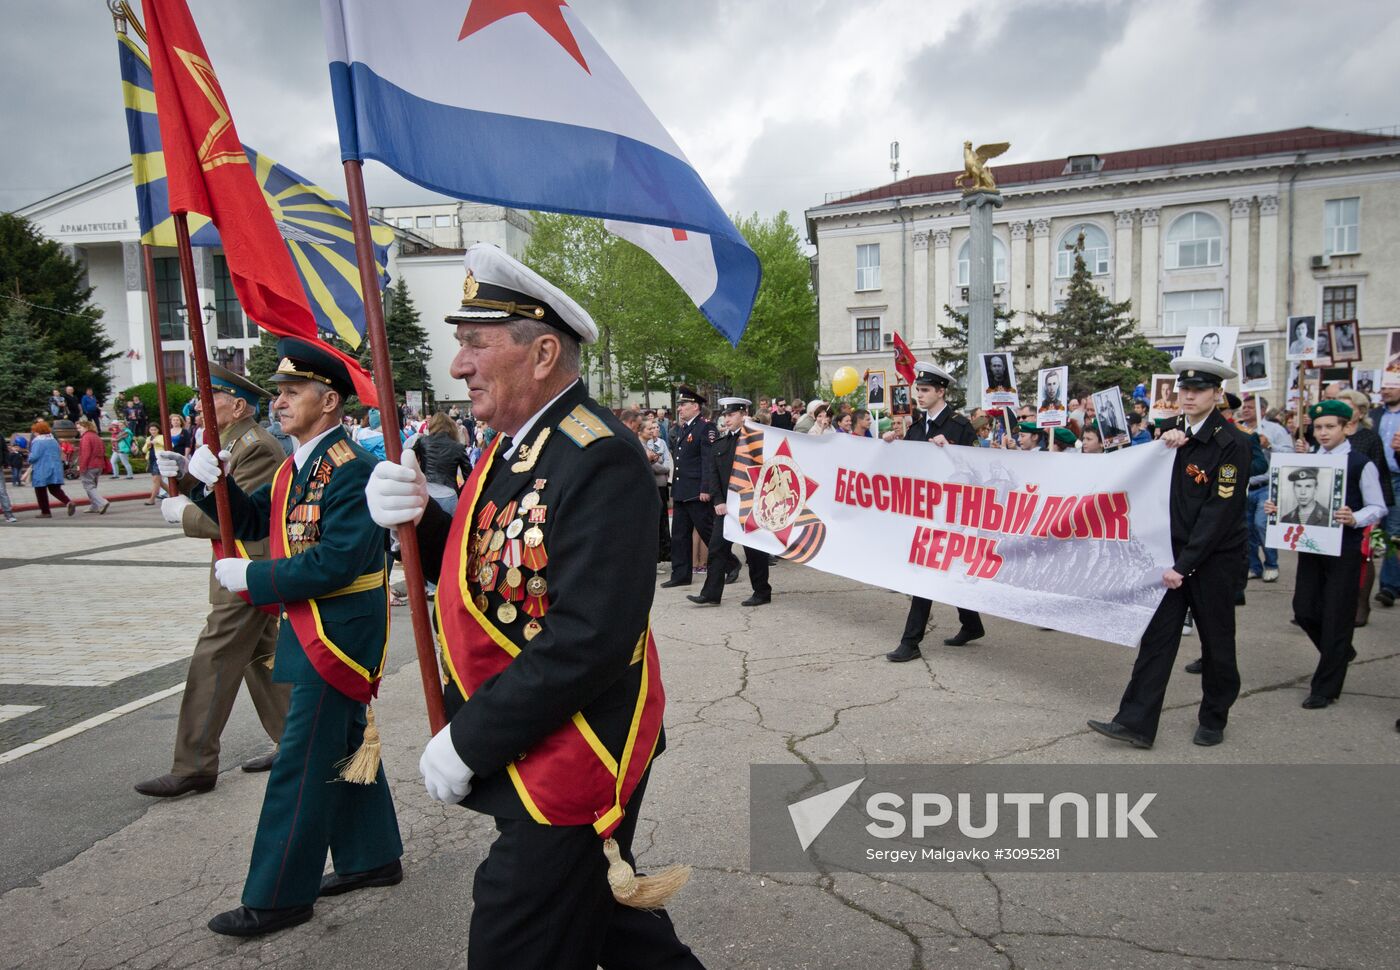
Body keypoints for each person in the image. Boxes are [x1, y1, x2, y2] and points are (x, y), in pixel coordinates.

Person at [365, 244, 704, 969]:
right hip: (539, 733)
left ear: (543, 353)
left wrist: (471, 738)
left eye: (476, 344)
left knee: (515, 940)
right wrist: (418, 518)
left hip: (579, 743)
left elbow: (589, 636)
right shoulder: (515, 445)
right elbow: (492, 564)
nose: (459, 365)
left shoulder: (598, 454)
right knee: (611, 927)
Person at [179, 339, 402, 938]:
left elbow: (336, 562)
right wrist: (207, 484)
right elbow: (253, 520)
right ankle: (373, 857)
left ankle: (279, 896)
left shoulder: (350, 467)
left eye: (291, 391)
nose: (278, 402)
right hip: (312, 627)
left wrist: (253, 577)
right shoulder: (295, 466)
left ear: (328, 401)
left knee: (300, 764)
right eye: (277, 392)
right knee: (346, 745)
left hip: (338, 635)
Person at [138, 363, 290, 798]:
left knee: (213, 659)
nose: (199, 406)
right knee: (263, 658)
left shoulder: (255, 447)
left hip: (247, 568)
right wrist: (187, 475)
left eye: (211, 397)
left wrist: (183, 512)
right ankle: (295, 743)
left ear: (238, 406)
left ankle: (194, 765)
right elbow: (219, 492)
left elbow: (239, 516)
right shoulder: (232, 442)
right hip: (239, 567)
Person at [1088, 356, 1248, 749]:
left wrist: (1185, 565)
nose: (1189, 396)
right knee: (1157, 640)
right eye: (1184, 390)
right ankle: (1135, 723)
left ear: (1217, 394)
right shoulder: (1172, 433)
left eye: (1199, 390)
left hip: (1212, 561)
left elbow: (1218, 514)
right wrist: (1163, 443)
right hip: (1169, 556)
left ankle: (1214, 718)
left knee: (1217, 643)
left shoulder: (1232, 444)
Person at [1266, 400, 1385, 707]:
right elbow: (1293, 499)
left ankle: (1325, 688)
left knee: (1336, 615)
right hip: (1311, 545)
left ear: (1348, 427)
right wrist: (1276, 507)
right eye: (1318, 427)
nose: (1323, 432)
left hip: (1344, 548)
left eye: (1330, 426)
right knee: (1304, 609)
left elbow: (1378, 506)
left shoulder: (1360, 463)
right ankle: (1340, 651)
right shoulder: (1306, 461)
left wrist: (1355, 517)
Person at [883, 361, 984, 659]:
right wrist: (891, 446)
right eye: (918, 389)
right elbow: (908, 470)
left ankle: (910, 642)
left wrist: (951, 449)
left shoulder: (959, 426)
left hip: (953, 515)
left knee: (925, 574)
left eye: (925, 390)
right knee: (943, 570)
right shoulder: (916, 427)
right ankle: (972, 624)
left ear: (941, 392)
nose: (919, 395)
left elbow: (978, 470)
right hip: (925, 512)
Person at [688, 398, 772, 609]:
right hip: (726, 507)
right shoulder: (720, 443)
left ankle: (762, 591)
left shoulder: (756, 442)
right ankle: (710, 594)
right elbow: (713, 475)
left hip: (750, 506)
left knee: (754, 551)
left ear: (744, 415)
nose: (726, 419)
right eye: (725, 415)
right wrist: (718, 500)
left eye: (731, 414)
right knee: (716, 548)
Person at [663, 386, 722, 590]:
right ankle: (680, 574)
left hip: (697, 492)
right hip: (682, 490)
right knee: (679, 535)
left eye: (683, 405)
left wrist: (706, 488)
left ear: (695, 406)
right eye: (679, 405)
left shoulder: (705, 427)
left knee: (708, 532)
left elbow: (708, 461)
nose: (679, 408)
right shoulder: (684, 427)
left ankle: (730, 564)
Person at [412, 411, 473, 518]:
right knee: (450, 527)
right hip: (449, 494)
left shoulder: (422, 442)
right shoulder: (458, 447)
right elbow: (469, 476)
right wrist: (459, 493)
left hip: (426, 493)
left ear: (432, 425)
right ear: (451, 426)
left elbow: (409, 460)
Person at [1371, 385, 1400, 608]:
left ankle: (1389, 586)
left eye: (1391, 386)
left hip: (1398, 477)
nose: (1385, 390)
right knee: (1373, 531)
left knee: (1394, 531)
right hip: (1376, 477)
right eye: (1383, 387)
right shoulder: (1375, 415)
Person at [27, 421, 75, 518]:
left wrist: (29, 458)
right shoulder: (53, 440)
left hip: (42, 468)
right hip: (55, 467)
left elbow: (34, 456)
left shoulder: (38, 441)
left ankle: (45, 512)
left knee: (40, 490)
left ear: (38, 431)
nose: (34, 433)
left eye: (34, 431)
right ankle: (68, 502)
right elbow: (59, 452)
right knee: (55, 489)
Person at [641, 415, 673, 562]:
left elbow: (666, 460)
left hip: (662, 483)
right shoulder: (643, 445)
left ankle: (665, 551)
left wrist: (663, 465)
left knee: (664, 519)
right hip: (654, 484)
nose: (653, 430)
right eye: (650, 428)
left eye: (655, 427)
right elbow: (653, 465)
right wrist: (664, 467)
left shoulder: (661, 443)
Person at [75, 419, 110, 514]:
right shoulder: (96, 436)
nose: (78, 430)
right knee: (93, 486)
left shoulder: (86, 437)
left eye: (80, 428)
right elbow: (103, 450)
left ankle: (102, 502)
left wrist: (81, 466)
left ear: (86, 427)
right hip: (99, 465)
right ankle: (94, 506)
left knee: (88, 486)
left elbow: (85, 454)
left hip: (89, 465)